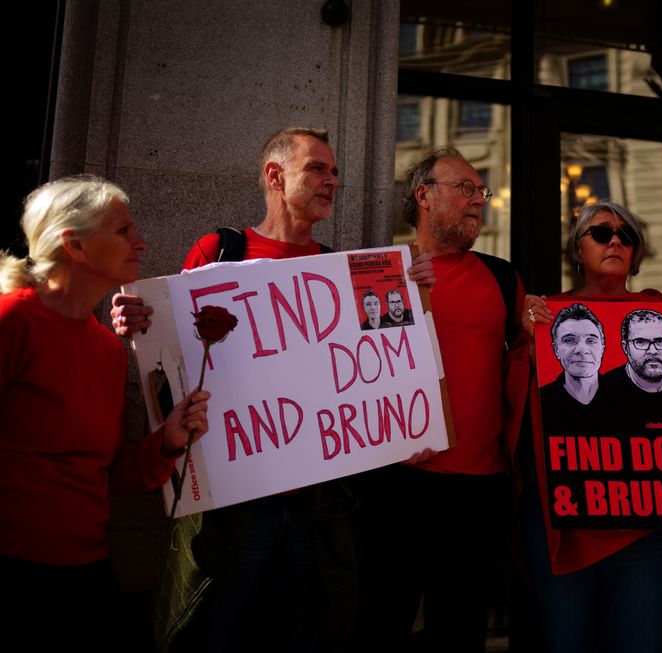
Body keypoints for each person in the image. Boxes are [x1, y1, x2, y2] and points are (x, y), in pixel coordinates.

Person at [111, 127, 436, 652]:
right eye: (317, 169)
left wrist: (404, 428)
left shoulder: (339, 270)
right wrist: (139, 324)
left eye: (335, 172)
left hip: (316, 512)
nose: (332, 181)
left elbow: (373, 377)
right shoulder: (220, 250)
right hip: (231, 514)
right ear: (274, 175)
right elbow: (171, 358)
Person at [521, 200, 662, 653]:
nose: (616, 241)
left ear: (637, 255)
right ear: (577, 250)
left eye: (627, 236)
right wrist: (527, 342)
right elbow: (513, 405)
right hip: (565, 515)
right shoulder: (546, 316)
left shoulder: (658, 319)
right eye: (602, 233)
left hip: (646, 519)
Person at [0, 176, 210, 649]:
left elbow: (111, 473)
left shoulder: (108, 350)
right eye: (122, 231)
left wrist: (169, 440)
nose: (141, 242)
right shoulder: (13, 320)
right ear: (72, 245)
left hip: (86, 574)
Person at [352, 146, 529, 652]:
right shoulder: (380, 271)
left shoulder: (503, 276)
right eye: (465, 189)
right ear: (423, 196)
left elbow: (527, 359)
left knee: (461, 630)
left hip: (479, 491)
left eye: (481, 192)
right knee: (380, 623)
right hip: (398, 485)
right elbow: (354, 374)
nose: (479, 201)